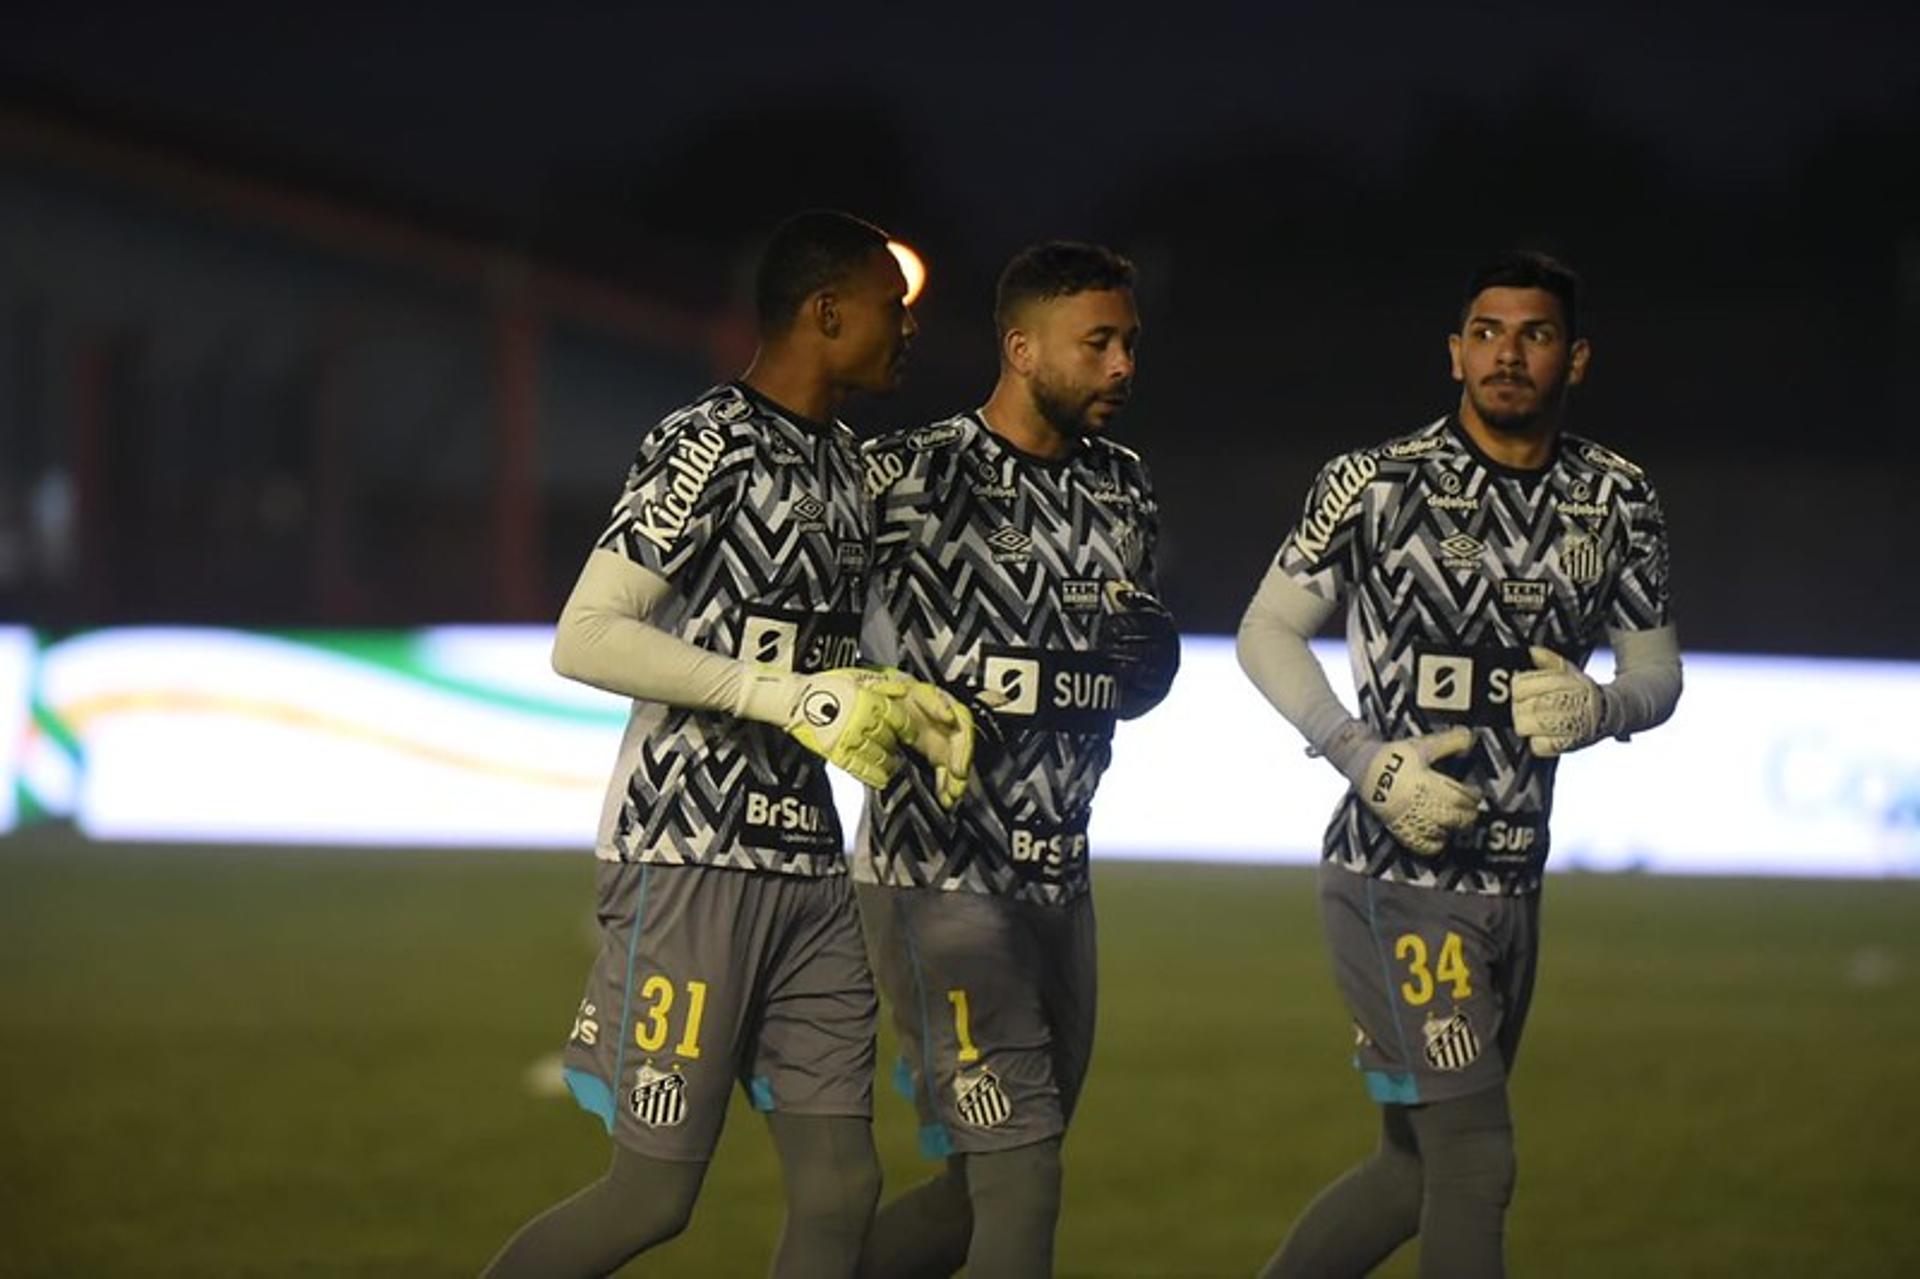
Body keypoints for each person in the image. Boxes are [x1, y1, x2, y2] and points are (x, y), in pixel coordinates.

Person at [482, 209, 973, 1279]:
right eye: (893, 311)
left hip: (807, 865)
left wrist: (910, 701)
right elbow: (587, 634)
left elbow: (832, 666)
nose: (909, 330)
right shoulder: (709, 440)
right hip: (687, 851)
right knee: (652, 1198)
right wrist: (779, 696)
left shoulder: (850, 466)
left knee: (844, 1190)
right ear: (826, 311)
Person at [1237, 249, 1683, 1278]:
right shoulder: (1376, 484)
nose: (1507, 353)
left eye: (1533, 334)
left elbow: (1659, 673)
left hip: (1513, 879)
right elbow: (1266, 630)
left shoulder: (1617, 497)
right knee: (1477, 1160)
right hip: (1395, 875)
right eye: (1486, 331)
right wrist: (1363, 759)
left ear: (1575, 359)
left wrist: (1606, 706)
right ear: (1454, 353)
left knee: (1410, 1170)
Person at [852, 241, 1181, 1279]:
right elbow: (803, 614)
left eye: (1129, 341)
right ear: (1021, 347)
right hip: (936, 878)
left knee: (977, 1194)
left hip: (1060, 887)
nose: (1124, 364)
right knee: (1023, 1173)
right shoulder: (910, 474)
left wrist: (1153, 669)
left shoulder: (1125, 491)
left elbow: (1112, 677)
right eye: (1099, 343)